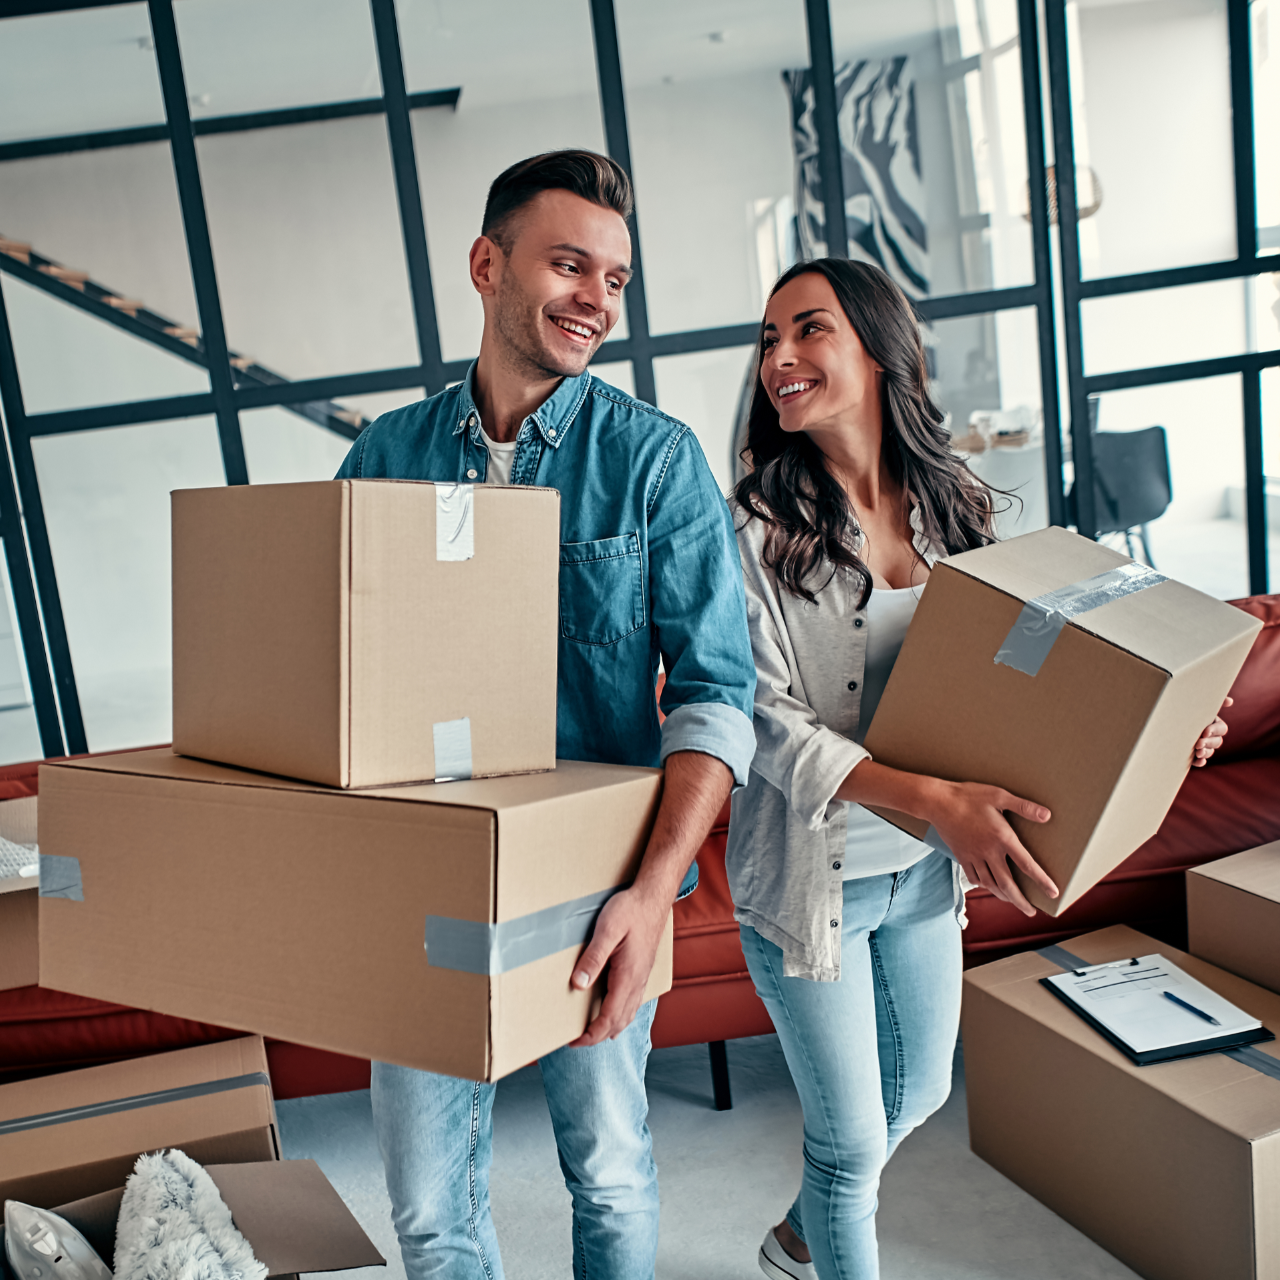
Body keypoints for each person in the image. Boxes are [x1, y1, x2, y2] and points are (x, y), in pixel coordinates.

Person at [726, 257, 1232, 1280]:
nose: (778, 356)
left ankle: (798, 1237)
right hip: (805, 886)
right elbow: (761, 722)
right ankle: (828, 1239)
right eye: (768, 338)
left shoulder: (954, 510)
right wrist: (930, 800)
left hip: (920, 871)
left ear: (876, 348)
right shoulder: (751, 533)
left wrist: (1158, 720)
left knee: (910, 1094)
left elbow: (1038, 683)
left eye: (808, 329)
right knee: (851, 1140)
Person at [333, 150, 755, 1280]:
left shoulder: (654, 464)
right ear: (485, 263)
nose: (596, 300)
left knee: (610, 1175)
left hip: (593, 890)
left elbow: (717, 697)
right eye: (569, 264)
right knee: (426, 1206)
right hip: (420, 878)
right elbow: (333, 678)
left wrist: (653, 895)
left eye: (615, 279)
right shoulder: (383, 458)